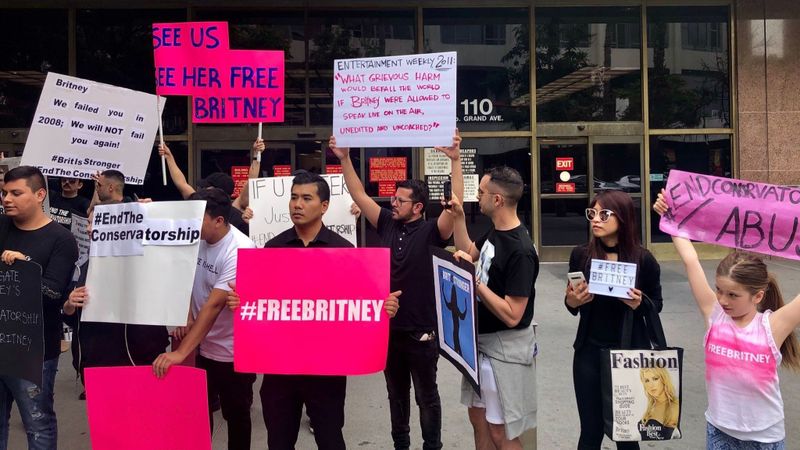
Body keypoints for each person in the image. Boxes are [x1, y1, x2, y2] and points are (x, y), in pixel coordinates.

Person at [227, 170, 400, 449]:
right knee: (279, 442)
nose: (297, 204)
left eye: (306, 198)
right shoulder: (272, 249)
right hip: (279, 370)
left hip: (326, 372)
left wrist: (383, 308)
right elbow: (260, 305)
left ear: (324, 206)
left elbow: (359, 305)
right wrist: (240, 301)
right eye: (294, 198)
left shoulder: (343, 251)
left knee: (330, 439)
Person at [329, 131, 463, 450]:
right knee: (396, 394)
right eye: (394, 198)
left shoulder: (433, 231)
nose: (393, 202)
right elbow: (359, 194)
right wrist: (345, 159)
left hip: (423, 331)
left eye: (400, 200)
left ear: (417, 206)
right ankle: (400, 444)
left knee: (426, 396)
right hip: (388, 329)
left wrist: (455, 161)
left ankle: (432, 445)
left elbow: (454, 207)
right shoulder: (388, 223)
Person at [654, 191, 800, 449]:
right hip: (719, 432)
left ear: (758, 296)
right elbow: (690, 260)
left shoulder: (772, 327)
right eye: (719, 290)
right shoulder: (714, 314)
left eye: (733, 295)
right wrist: (670, 214)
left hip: (764, 438)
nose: (722, 299)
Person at [151, 188, 256, 450]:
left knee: (236, 415)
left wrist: (180, 353)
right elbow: (186, 277)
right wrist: (185, 314)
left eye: (197, 218)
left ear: (218, 220)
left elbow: (213, 306)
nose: (190, 224)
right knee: (198, 412)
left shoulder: (240, 249)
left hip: (234, 351)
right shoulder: (197, 238)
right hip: (203, 344)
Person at [448, 166, 538, 450]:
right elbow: (468, 251)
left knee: (502, 431)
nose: (478, 197)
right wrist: (459, 217)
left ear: (497, 200)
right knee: (478, 419)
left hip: (504, 350)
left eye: (482, 193)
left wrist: (476, 285)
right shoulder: (495, 232)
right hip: (480, 345)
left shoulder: (520, 250)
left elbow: (513, 314)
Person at [565, 190, 663, 450]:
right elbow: (571, 303)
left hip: (628, 355)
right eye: (592, 213)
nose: (596, 220)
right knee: (590, 431)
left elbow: (656, 305)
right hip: (589, 352)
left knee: (627, 434)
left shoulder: (643, 260)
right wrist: (574, 301)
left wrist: (641, 303)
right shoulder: (581, 255)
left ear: (623, 218)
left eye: (604, 214)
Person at [0, 166, 79, 450]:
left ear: (39, 195)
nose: (7, 198)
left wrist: (24, 267)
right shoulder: (2, 226)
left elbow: (52, 293)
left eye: (16, 193)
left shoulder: (61, 239)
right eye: (4, 192)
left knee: (37, 424)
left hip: (34, 352)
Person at [62, 200, 169, 395]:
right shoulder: (85, 265)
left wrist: (152, 214)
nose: (89, 229)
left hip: (139, 360)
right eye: (88, 222)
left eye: (95, 223)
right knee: (103, 423)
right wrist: (70, 304)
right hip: (96, 362)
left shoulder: (145, 259)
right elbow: (71, 314)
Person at [159, 140, 264, 235]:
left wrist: (256, 155)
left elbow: (251, 181)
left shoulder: (234, 208)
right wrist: (169, 157)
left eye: (206, 187)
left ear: (217, 190)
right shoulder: (200, 203)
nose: (202, 190)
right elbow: (182, 183)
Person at [638, 367, 679, 440]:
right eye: (647, 381)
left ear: (664, 379)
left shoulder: (674, 406)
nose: (651, 385)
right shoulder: (650, 406)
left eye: (655, 379)